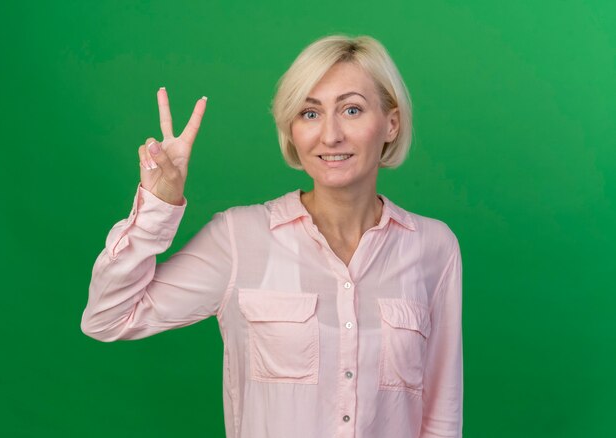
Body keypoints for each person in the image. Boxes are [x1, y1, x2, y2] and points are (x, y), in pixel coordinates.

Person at [81, 34, 463, 438]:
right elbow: (109, 318)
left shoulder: (433, 247)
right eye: (309, 114)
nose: (330, 135)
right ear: (291, 130)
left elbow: (440, 417)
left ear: (391, 123)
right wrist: (158, 206)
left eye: (352, 109)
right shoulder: (239, 238)